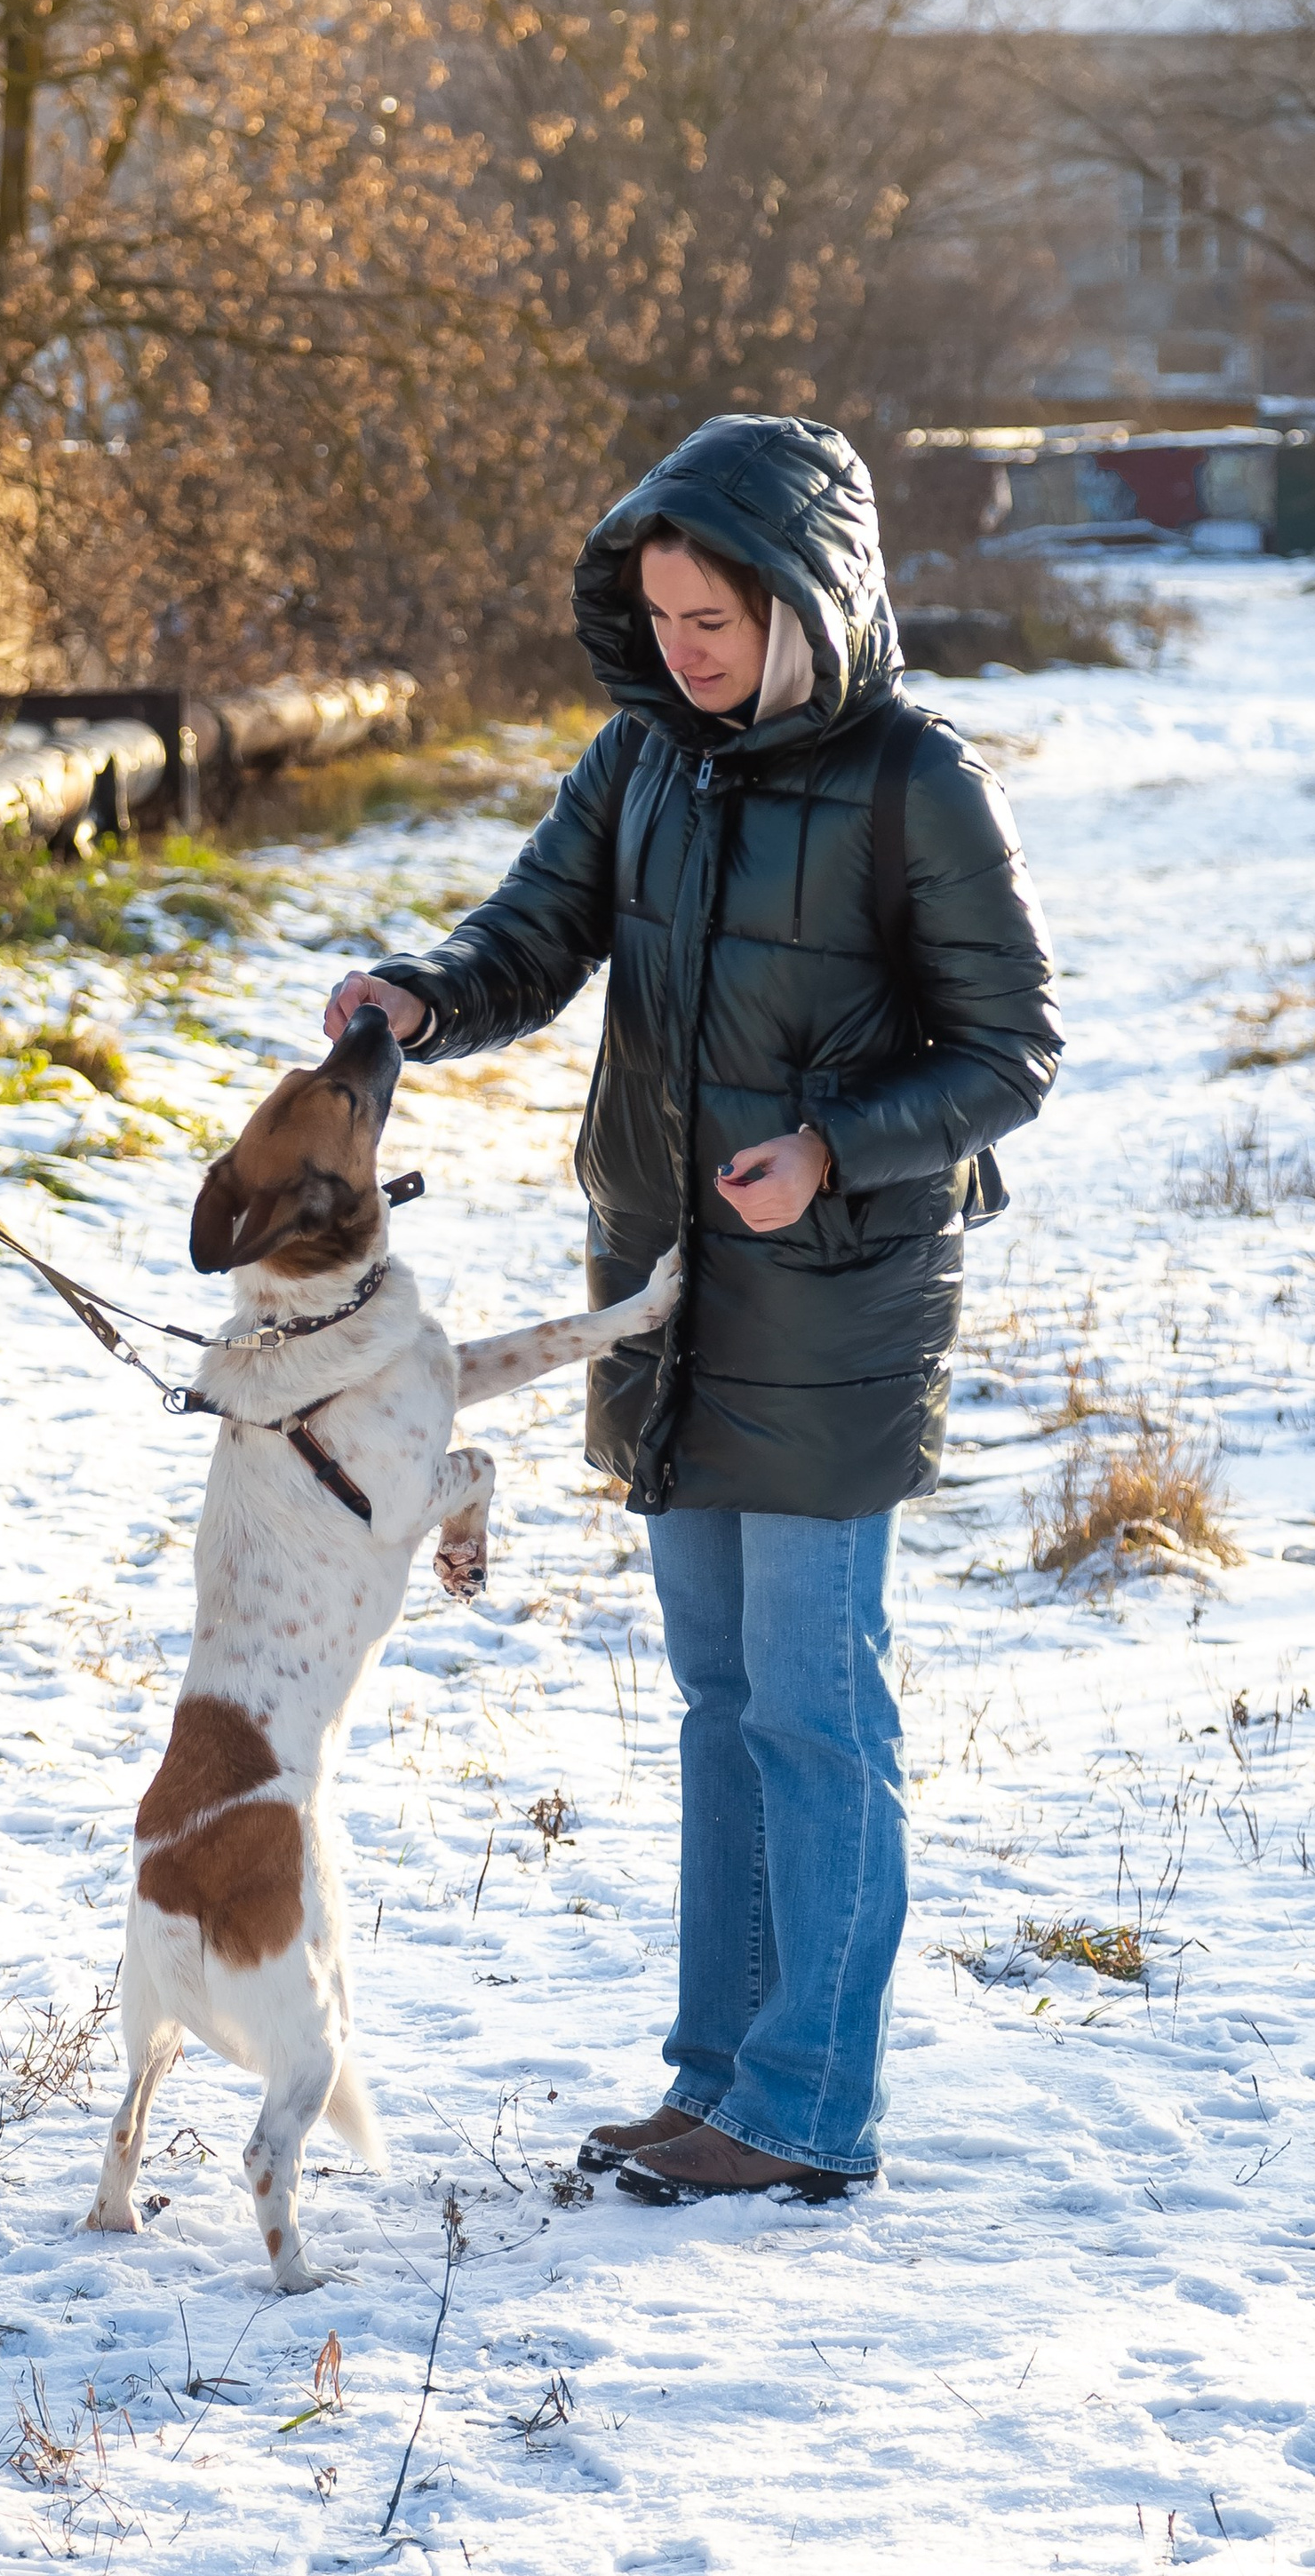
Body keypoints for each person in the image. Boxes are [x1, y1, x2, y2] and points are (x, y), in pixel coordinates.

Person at [324, 415, 1060, 2203]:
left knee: (812, 1705)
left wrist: (831, 1149)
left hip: (833, 1309)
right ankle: (721, 2074)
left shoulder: (913, 782)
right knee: (718, 1697)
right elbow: (528, 935)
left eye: (712, 617)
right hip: (661, 1294)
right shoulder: (638, 759)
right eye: (655, 616)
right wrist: (417, 999)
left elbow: (1008, 1050)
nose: (680, 650)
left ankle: (808, 2109)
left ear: (803, 601)